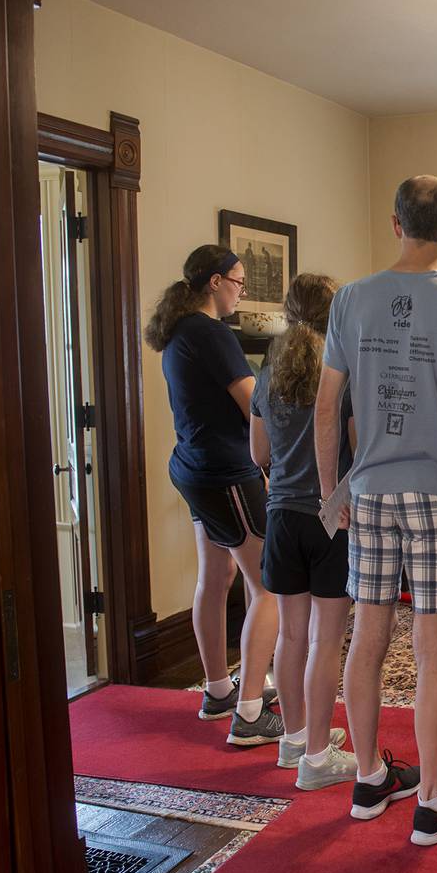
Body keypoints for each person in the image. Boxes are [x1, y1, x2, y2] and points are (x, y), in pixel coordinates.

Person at [315, 175, 437, 847]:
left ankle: (369, 778)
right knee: (431, 650)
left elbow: (326, 408)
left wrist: (329, 488)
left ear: (395, 224)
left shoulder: (351, 300)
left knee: (366, 639)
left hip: (368, 493)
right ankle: (428, 800)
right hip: (435, 492)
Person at [143, 244, 281, 745]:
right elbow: (254, 407)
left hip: (191, 466)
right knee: (268, 586)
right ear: (217, 281)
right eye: (239, 283)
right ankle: (249, 715)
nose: (241, 294)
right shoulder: (213, 333)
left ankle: (220, 690)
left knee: (217, 575)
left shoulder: (179, 332)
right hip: (226, 470)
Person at [249, 273, 359, 789]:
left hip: (280, 516)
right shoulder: (339, 373)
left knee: (292, 634)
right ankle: (317, 757)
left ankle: (294, 739)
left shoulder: (269, 372)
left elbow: (259, 454)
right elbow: (356, 451)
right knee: (327, 640)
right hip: (329, 516)